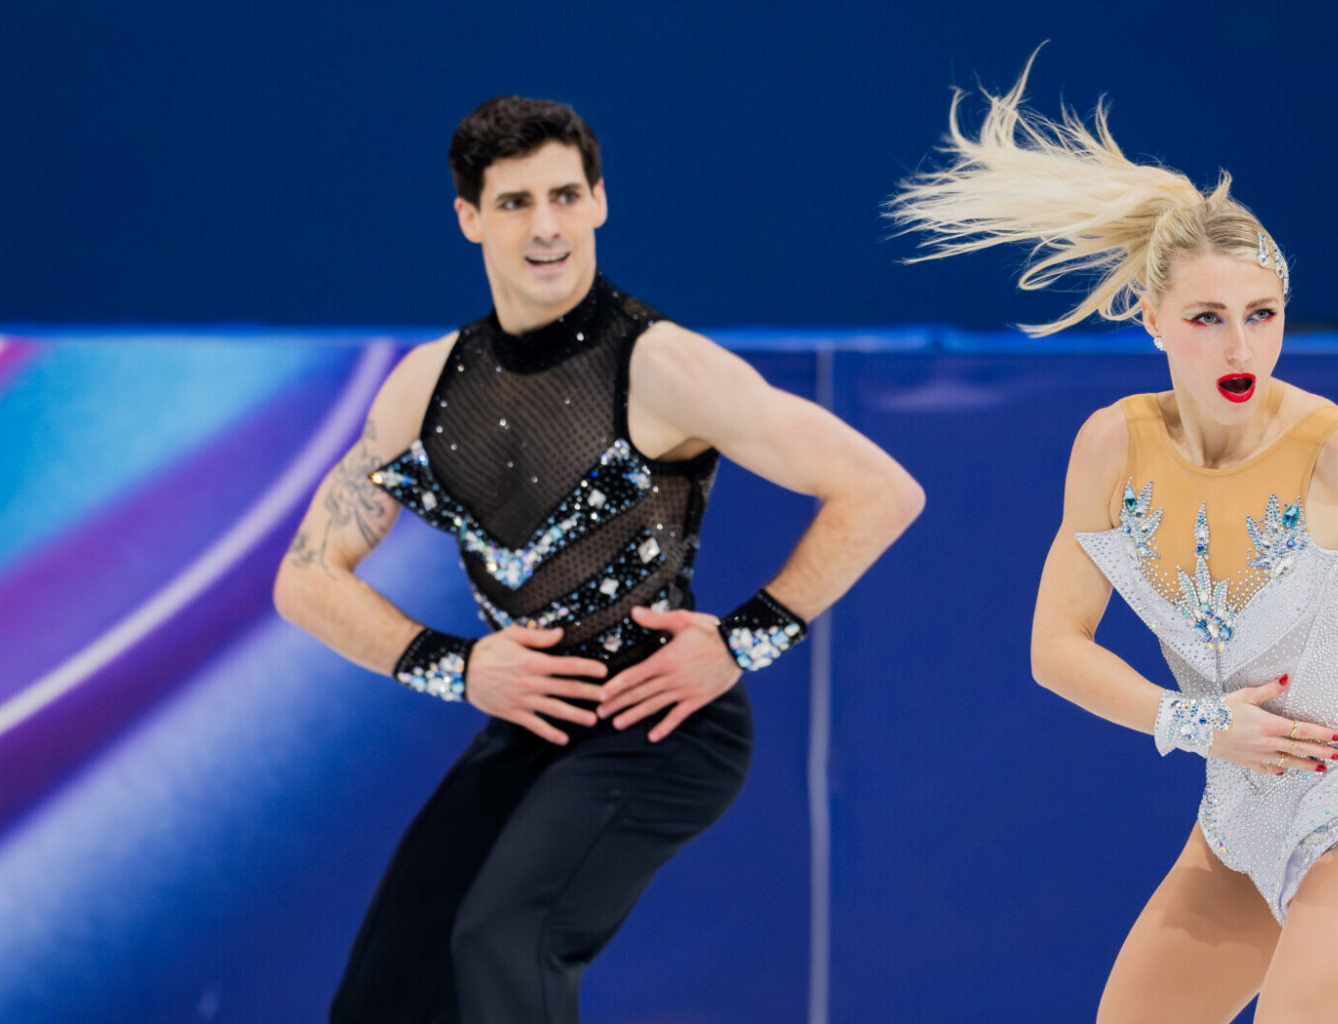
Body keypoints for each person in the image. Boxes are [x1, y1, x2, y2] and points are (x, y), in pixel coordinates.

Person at [891, 61, 1338, 1022]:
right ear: (1153, 320)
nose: (1240, 349)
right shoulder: (1111, 446)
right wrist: (1192, 722)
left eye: (1262, 317)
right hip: (1234, 826)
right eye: (1209, 320)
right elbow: (1055, 649)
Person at [273, 95, 923, 1024]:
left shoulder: (662, 366)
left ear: (599, 202)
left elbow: (881, 489)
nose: (546, 227)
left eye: (565, 196)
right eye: (514, 203)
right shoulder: (425, 387)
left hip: (663, 720)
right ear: (469, 218)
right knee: (391, 983)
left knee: (506, 939)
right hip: (532, 724)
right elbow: (304, 578)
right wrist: (456, 668)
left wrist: (746, 638)